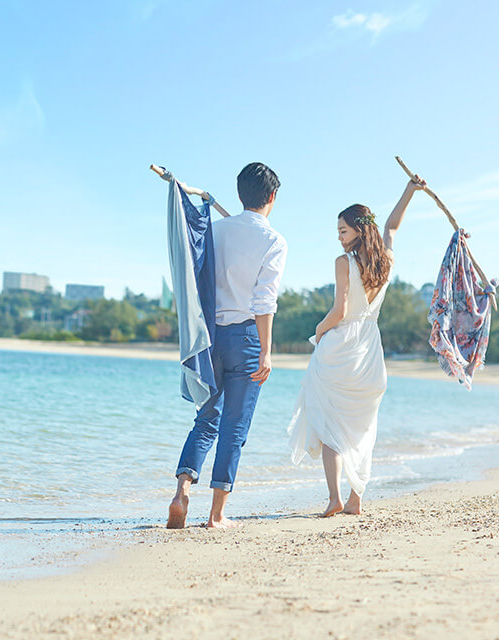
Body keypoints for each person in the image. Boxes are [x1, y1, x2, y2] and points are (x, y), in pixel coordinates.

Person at [287, 177, 425, 517]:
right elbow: (392, 227)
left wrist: (318, 331)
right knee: (360, 427)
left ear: (360, 232)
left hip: (341, 349)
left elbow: (340, 311)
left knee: (329, 424)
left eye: (344, 231)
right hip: (370, 353)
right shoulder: (387, 262)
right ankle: (354, 499)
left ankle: (335, 499)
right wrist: (410, 190)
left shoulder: (343, 262)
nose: (339, 238)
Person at [167, 162, 287, 529]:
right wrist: (266, 350)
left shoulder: (214, 230)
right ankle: (216, 515)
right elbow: (265, 302)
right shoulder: (274, 241)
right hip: (247, 338)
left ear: (240, 194)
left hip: (210, 336)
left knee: (206, 419)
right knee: (235, 426)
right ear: (271, 197)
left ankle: (182, 489)